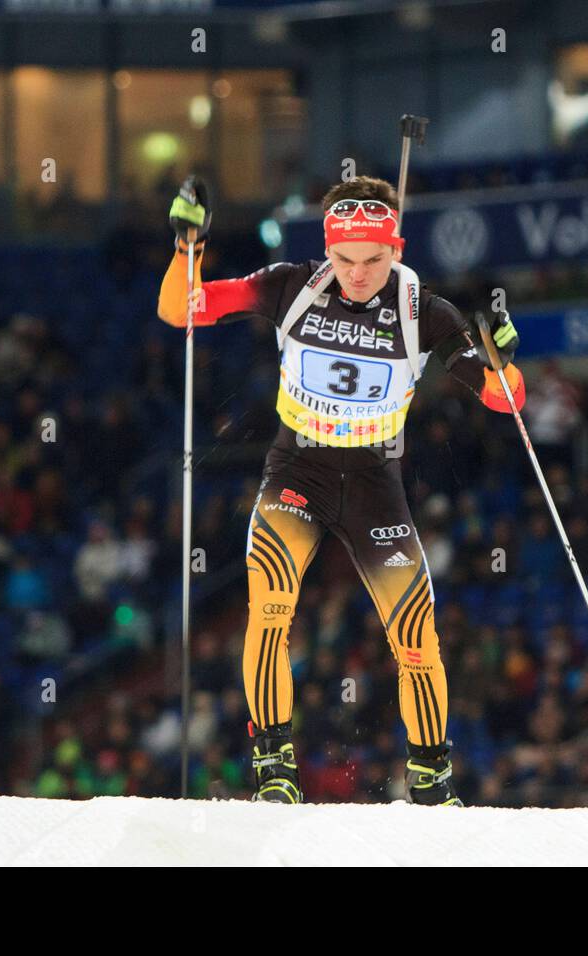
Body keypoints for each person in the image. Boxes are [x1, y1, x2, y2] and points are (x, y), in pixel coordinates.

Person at [157, 174, 527, 805]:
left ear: (398, 250)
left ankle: (431, 778)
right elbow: (180, 309)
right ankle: (275, 768)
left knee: (415, 633)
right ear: (327, 250)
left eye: (374, 260)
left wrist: (504, 355)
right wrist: (187, 247)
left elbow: (507, 399)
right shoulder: (292, 286)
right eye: (345, 259)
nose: (357, 274)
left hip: (375, 482)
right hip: (298, 469)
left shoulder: (423, 312)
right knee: (270, 608)